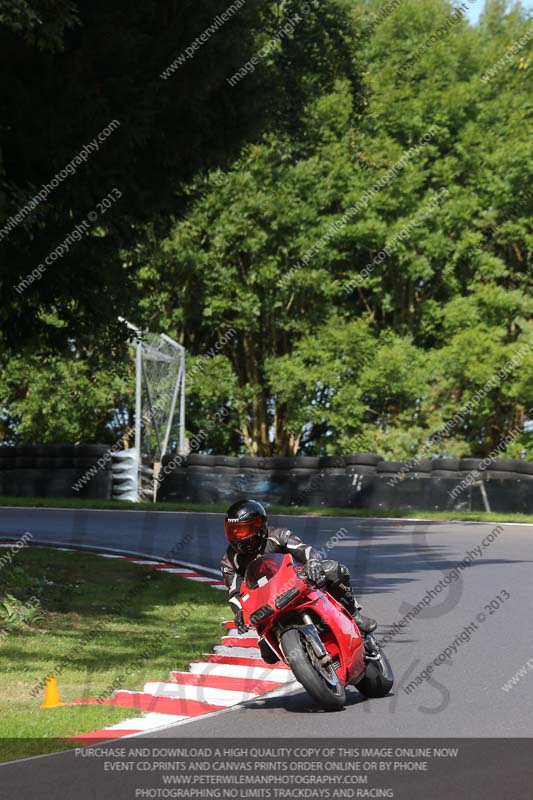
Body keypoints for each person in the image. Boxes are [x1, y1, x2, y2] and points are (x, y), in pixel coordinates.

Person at [220, 499, 377, 664]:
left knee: (334, 570)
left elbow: (304, 549)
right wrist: (239, 613)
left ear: (259, 525)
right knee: (268, 655)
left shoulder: (278, 535)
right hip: (266, 604)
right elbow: (233, 593)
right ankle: (305, 660)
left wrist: (313, 563)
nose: (241, 537)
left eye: (245, 530)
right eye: (235, 532)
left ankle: (354, 615)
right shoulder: (229, 561)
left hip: (294, 582)